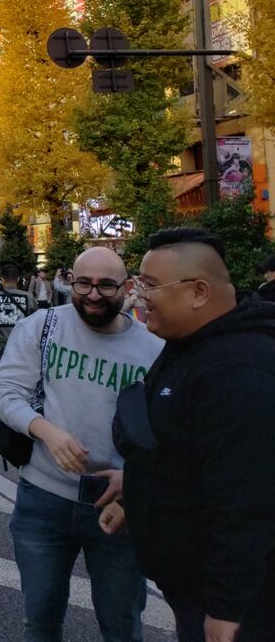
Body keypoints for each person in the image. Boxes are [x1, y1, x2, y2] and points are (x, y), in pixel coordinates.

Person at [108, 228, 275, 641]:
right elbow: (179, 451)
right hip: (190, 587)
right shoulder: (187, 344)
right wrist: (135, 495)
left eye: (149, 285)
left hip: (234, 606)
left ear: (199, 291)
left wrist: (226, 608)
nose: (138, 296)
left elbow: (244, 501)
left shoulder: (238, 370)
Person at [0, 245, 161, 642]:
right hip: (42, 500)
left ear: (127, 287)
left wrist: (134, 477)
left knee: (122, 626)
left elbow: (172, 431)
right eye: (83, 283)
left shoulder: (153, 348)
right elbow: (3, 391)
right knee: (41, 621)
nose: (93, 295)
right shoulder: (43, 326)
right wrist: (45, 429)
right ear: (70, 282)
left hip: (119, 507)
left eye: (106, 285)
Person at [0, 263, 38, 356]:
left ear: (2, 280)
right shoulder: (28, 297)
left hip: (2, 342)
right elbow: (36, 319)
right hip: (23, 341)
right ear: (18, 279)